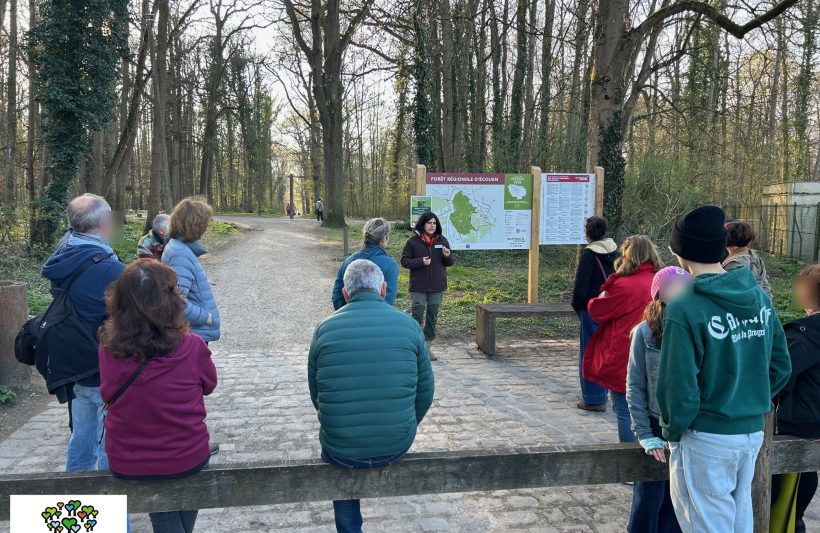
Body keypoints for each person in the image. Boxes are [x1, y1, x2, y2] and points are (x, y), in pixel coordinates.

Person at [658, 205, 791, 533]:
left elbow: (678, 386)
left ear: (679, 252)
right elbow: (780, 366)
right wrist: (748, 399)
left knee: (707, 525)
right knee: (739, 520)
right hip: (751, 433)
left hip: (706, 437)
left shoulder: (684, 308)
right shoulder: (759, 297)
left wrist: (673, 433)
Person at [308, 259, 434, 533]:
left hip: (342, 448)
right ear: (383, 288)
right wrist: (406, 424)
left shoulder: (325, 329)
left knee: (336, 457)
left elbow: (316, 393)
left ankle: (349, 528)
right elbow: (425, 393)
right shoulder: (409, 326)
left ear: (345, 293)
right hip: (397, 442)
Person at [100, 260, 216, 533]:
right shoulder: (193, 346)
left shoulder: (107, 348)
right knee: (177, 510)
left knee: (164, 514)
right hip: (187, 454)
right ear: (171, 301)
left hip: (129, 459)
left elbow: (107, 392)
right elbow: (209, 385)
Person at [41, 193, 125, 472]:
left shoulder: (64, 253)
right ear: (102, 222)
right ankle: (109, 511)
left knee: (82, 439)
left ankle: (77, 504)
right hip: (103, 365)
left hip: (73, 362)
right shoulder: (109, 268)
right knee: (109, 444)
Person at [626, 267, 691, 533]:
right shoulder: (643, 333)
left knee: (677, 504)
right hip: (655, 425)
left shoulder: (696, 327)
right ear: (658, 294)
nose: (679, 290)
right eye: (672, 285)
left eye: (684, 285)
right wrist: (644, 433)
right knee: (648, 499)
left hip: (687, 428)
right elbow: (635, 386)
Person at [584, 235, 662, 443]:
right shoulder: (662, 280)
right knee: (653, 411)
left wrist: (609, 285)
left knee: (626, 411)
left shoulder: (623, 285)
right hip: (657, 353)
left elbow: (596, 310)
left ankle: (631, 464)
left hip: (624, 352)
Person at [771, 264, 820, 533]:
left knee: (781, 502)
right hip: (813, 426)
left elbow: (779, 377)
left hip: (799, 426)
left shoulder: (805, 334)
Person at [571, 216, 619, 412]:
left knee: (589, 352)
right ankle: (606, 393)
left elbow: (580, 289)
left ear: (588, 233)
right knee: (607, 350)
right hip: (611, 307)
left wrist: (578, 307)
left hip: (592, 308)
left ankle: (593, 398)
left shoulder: (589, 255)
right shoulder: (616, 253)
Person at [162, 198, 221, 343]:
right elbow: (175, 301)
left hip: (193, 332)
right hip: (193, 334)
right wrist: (205, 317)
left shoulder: (178, 247)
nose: (206, 227)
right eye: (205, 223)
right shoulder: (180, 254)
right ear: (195, 225)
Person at [400, 211, 454, 361]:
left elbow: (450, 262)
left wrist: (447, 255)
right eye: (429, 223)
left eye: (434, 223)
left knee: (432, 317)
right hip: (418, 286)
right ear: (423, 224)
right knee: (417, 316)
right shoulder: (413, 241)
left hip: (437, 286)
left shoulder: (442, 240)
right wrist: (420, 262)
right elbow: (404, 261)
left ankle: (427, 347)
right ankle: (416, 347)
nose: (432, 226)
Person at [332, 218, 398, 310]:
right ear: (385, 238)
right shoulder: (390, 265)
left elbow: (337, 294)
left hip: (348, 318)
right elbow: (388, 300)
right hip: (377, 320)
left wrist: (344, 313)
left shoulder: (348, 261)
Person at [723, 220, 773, 297]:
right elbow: (765, 285)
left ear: (727, 238)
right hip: (760, 303)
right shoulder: (753, 256)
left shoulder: (736, 264)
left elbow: (730, 293)